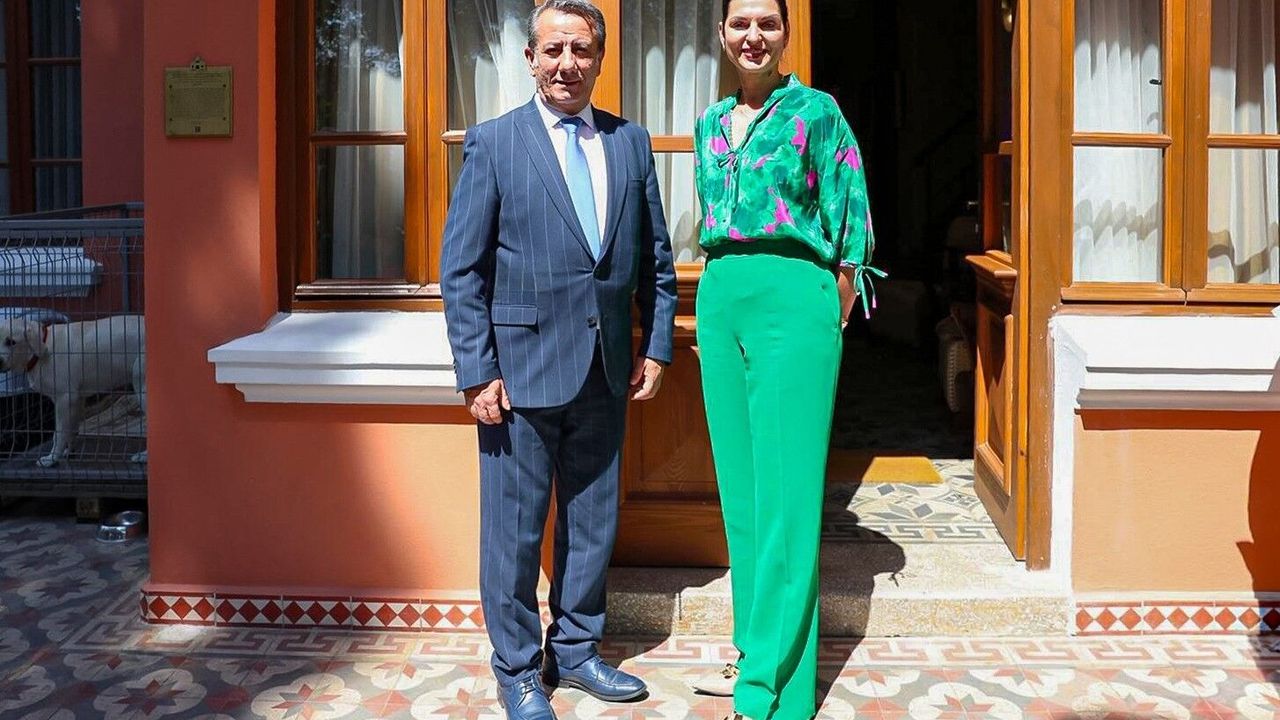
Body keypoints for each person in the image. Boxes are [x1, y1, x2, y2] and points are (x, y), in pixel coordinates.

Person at [440, 1, 678, 718]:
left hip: (606, 370)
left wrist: (656, 344)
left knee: (593, 523)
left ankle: (574, 651)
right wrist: (477, 370)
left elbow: (656, 259)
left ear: (600, 59)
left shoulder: (630, 143)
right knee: (513, 536)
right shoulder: (493, 143)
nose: (567, 64)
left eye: (581, 50)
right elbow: (462, 270)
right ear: (530, 59)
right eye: (553, 50)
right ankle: (517, 670)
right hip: (517, 376)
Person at [691, 0, 881, 718]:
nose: (753, 35)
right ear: (722, 34)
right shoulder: (710, 122)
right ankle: (754, 649)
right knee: (742, 496)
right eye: (741, 23)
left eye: (767, 23)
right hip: (721, 295)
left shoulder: (817, 112)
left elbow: (851, 218)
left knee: (788, 497)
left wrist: (830, 301)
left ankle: (776, 687)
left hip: (792, 298)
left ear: (785, 34)